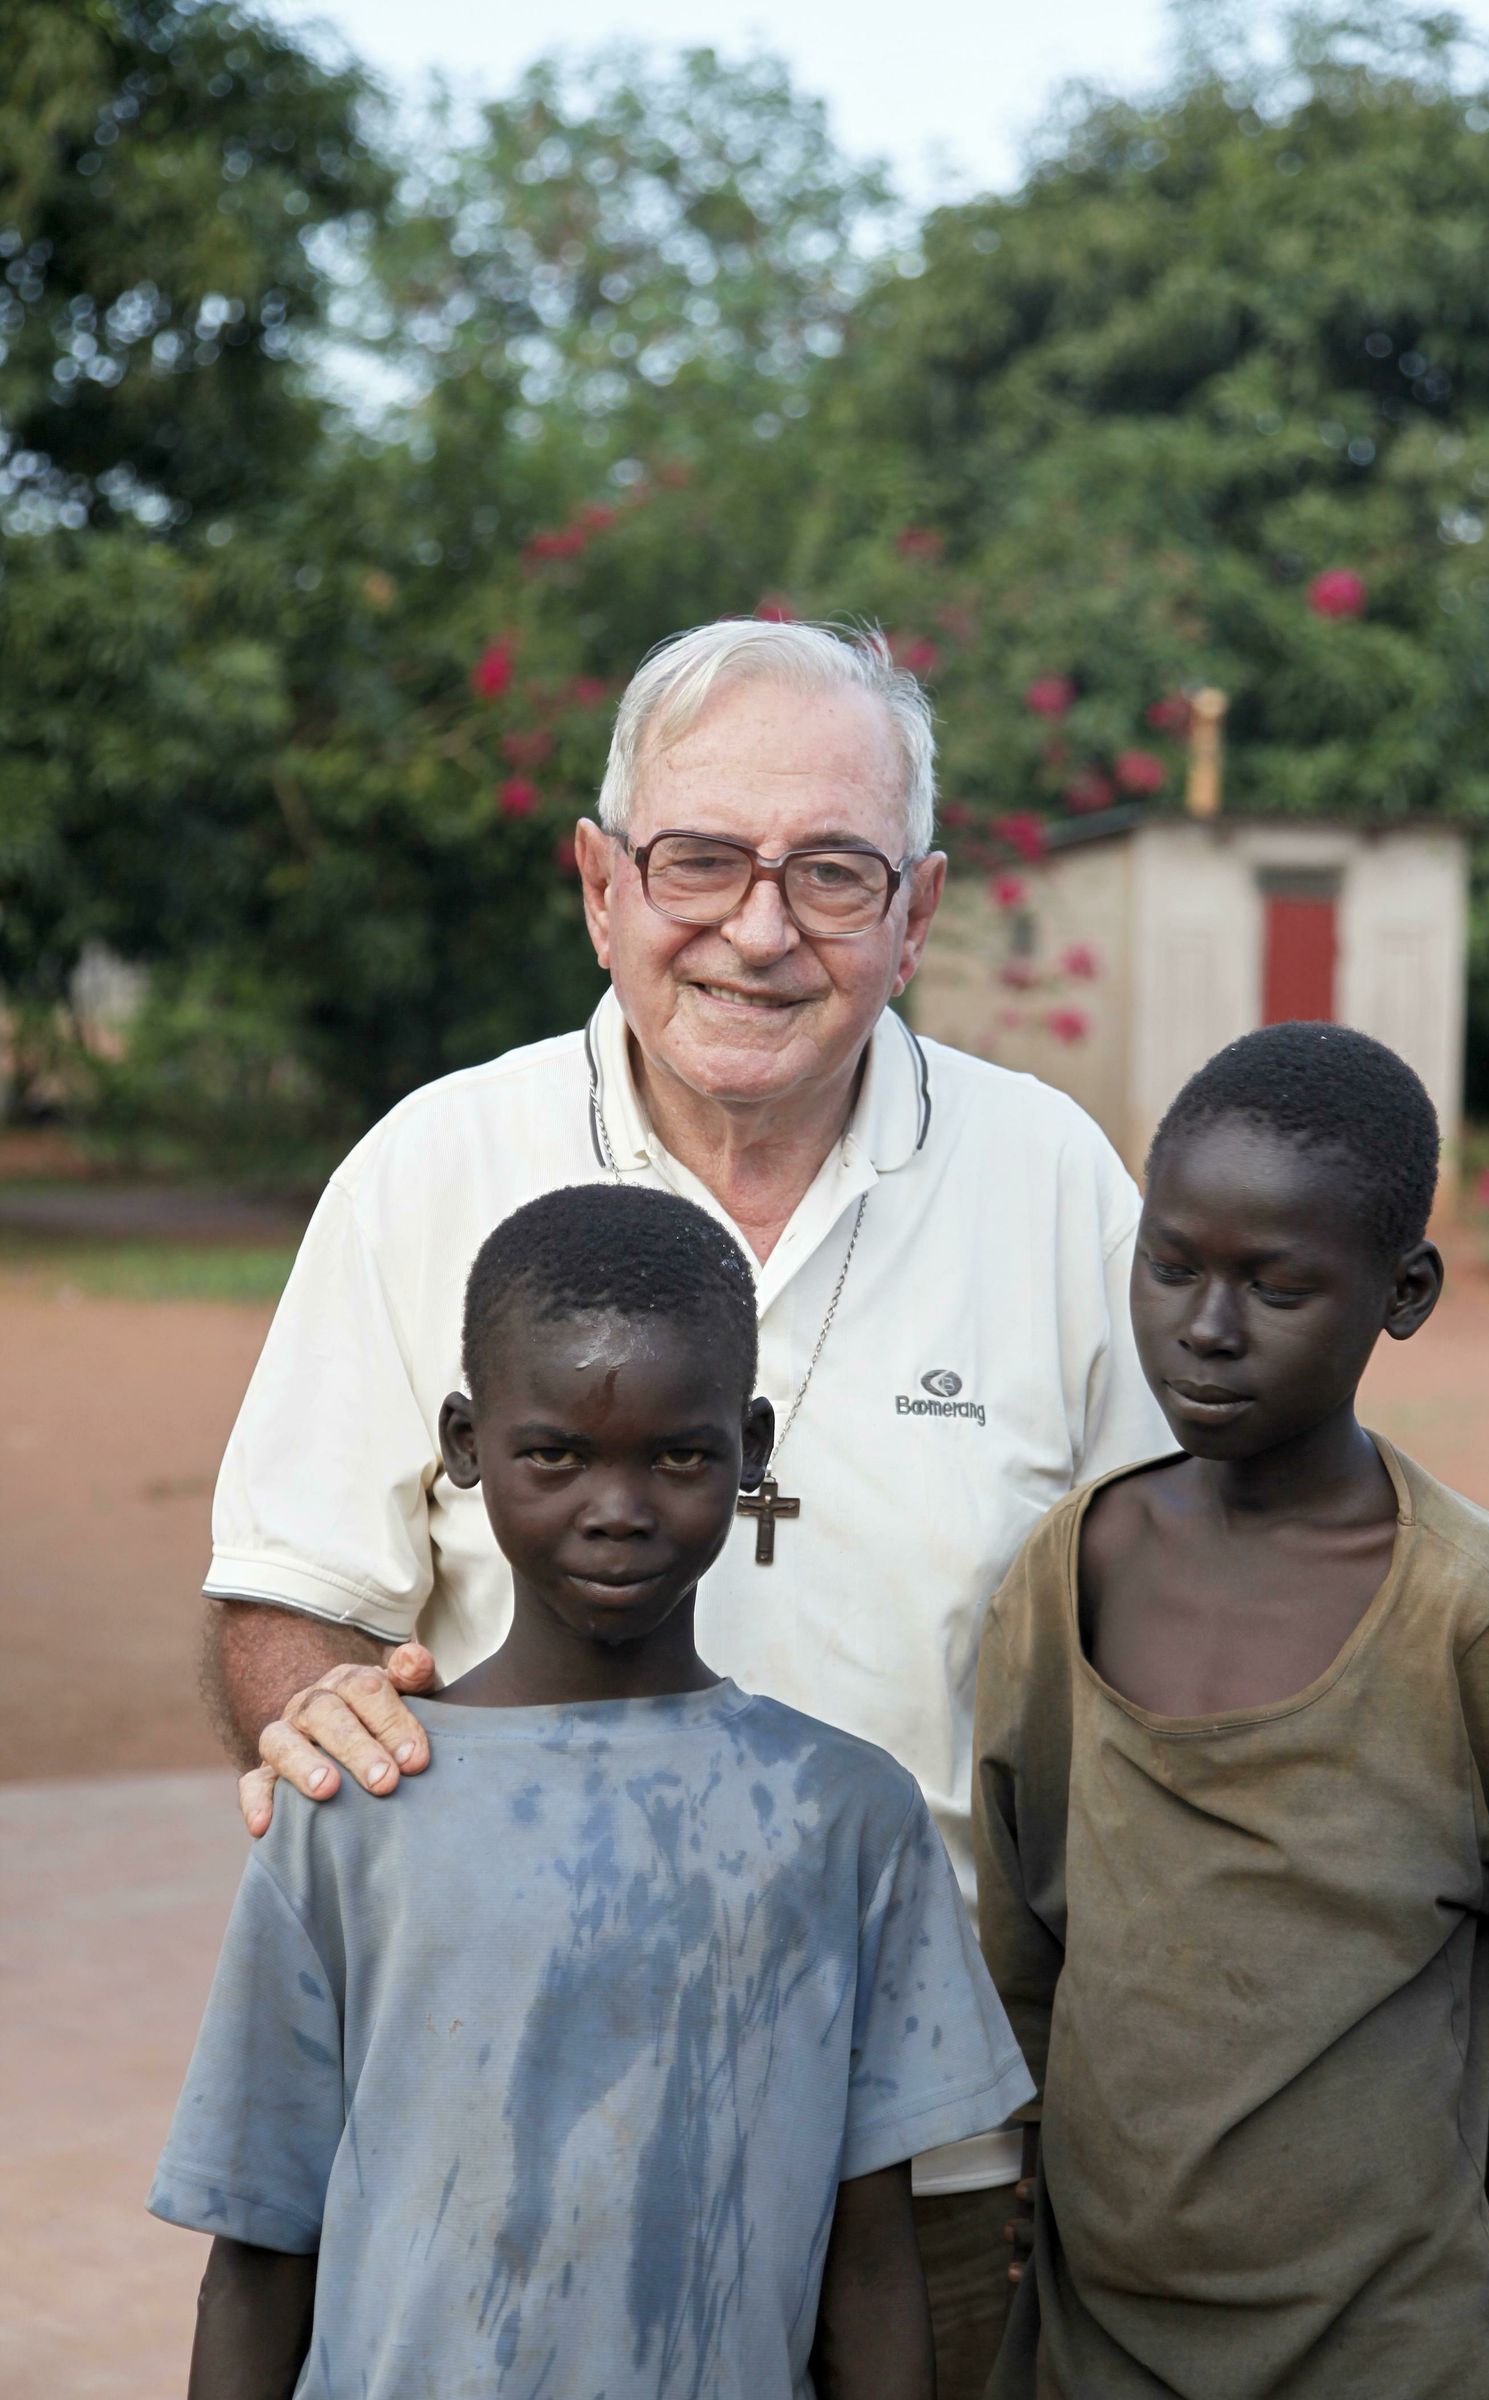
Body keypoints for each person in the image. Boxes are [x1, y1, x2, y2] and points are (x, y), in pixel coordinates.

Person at [196, 617, 1167, 2389]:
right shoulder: (435, 1168)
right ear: (599, 881)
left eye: (832, 870)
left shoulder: (1051, 1189)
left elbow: (1176, 1615)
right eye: (699, 859)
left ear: (919, 911)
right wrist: (317, 1715)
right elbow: (284, 1590)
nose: (758, 926)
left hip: (939, 2165)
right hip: (503, 2148)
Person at [152, 1183, 1033, 2400]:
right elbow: (256, 2261)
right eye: (555, 1455)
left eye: (678, 1456)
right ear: (465, 1445)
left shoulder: (844, 1817)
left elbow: (869, 2267)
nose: (616, 1512)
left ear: (752, 1446)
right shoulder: (356, 1805)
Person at [973, 1021, 1489, 2400]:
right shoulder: (1068, 1570)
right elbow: (1020, 1965)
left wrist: (1357, 2229)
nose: (1204, 1327)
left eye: (1277, 1285)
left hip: (1385, 2355)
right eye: (1172, 1265)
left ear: (1405, 1291)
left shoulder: (1480, 1615)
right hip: (1091, 2352)